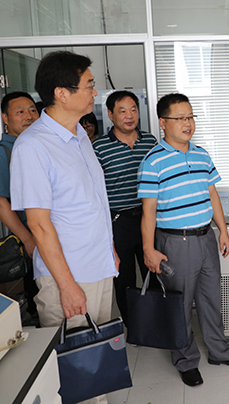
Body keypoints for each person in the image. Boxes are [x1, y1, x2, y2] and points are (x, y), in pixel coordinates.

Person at [10, 51, 119, 404]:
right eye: (89, 85)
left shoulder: (79, 136)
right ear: (61, 93)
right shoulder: (33, 146)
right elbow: (39, 225)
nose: (94, 92)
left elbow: (93, 202)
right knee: (74, 375)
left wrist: (110, 250)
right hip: (68, 277)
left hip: (98, 267)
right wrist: (67, 286)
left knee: (96, 364)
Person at [138, 93, 229, 387]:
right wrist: (148, 249)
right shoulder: (153, 161)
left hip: (206, 238)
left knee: (211, 299)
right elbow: (148, 211)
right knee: (180, 304)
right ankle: (186, 361)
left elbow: (212, 194)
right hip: (176, 243)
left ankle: (220, 351)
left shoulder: (202, 154)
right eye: (180, 118)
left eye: (190, 117)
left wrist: (223, 230)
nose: (187, 123)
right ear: (163, 123)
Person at [93, 90, 158, 320]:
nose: (129, 116)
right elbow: (95, 191)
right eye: (122, 111)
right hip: (118, 222)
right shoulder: (99, 147)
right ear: (110, 115)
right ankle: (133, 324)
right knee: (124, 278)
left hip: (149, 218)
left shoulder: (150, 141)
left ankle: (155, 321)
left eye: (133, 110)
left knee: (154, 271)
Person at [0, 91, 40, 322]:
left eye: (33, 110)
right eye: (20, 111)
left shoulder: (38, 147)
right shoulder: (0, 155)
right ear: (5, 118)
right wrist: (28, 239)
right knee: (43, 300)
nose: (29, 116)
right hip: (33, 238)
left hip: (54, 235)